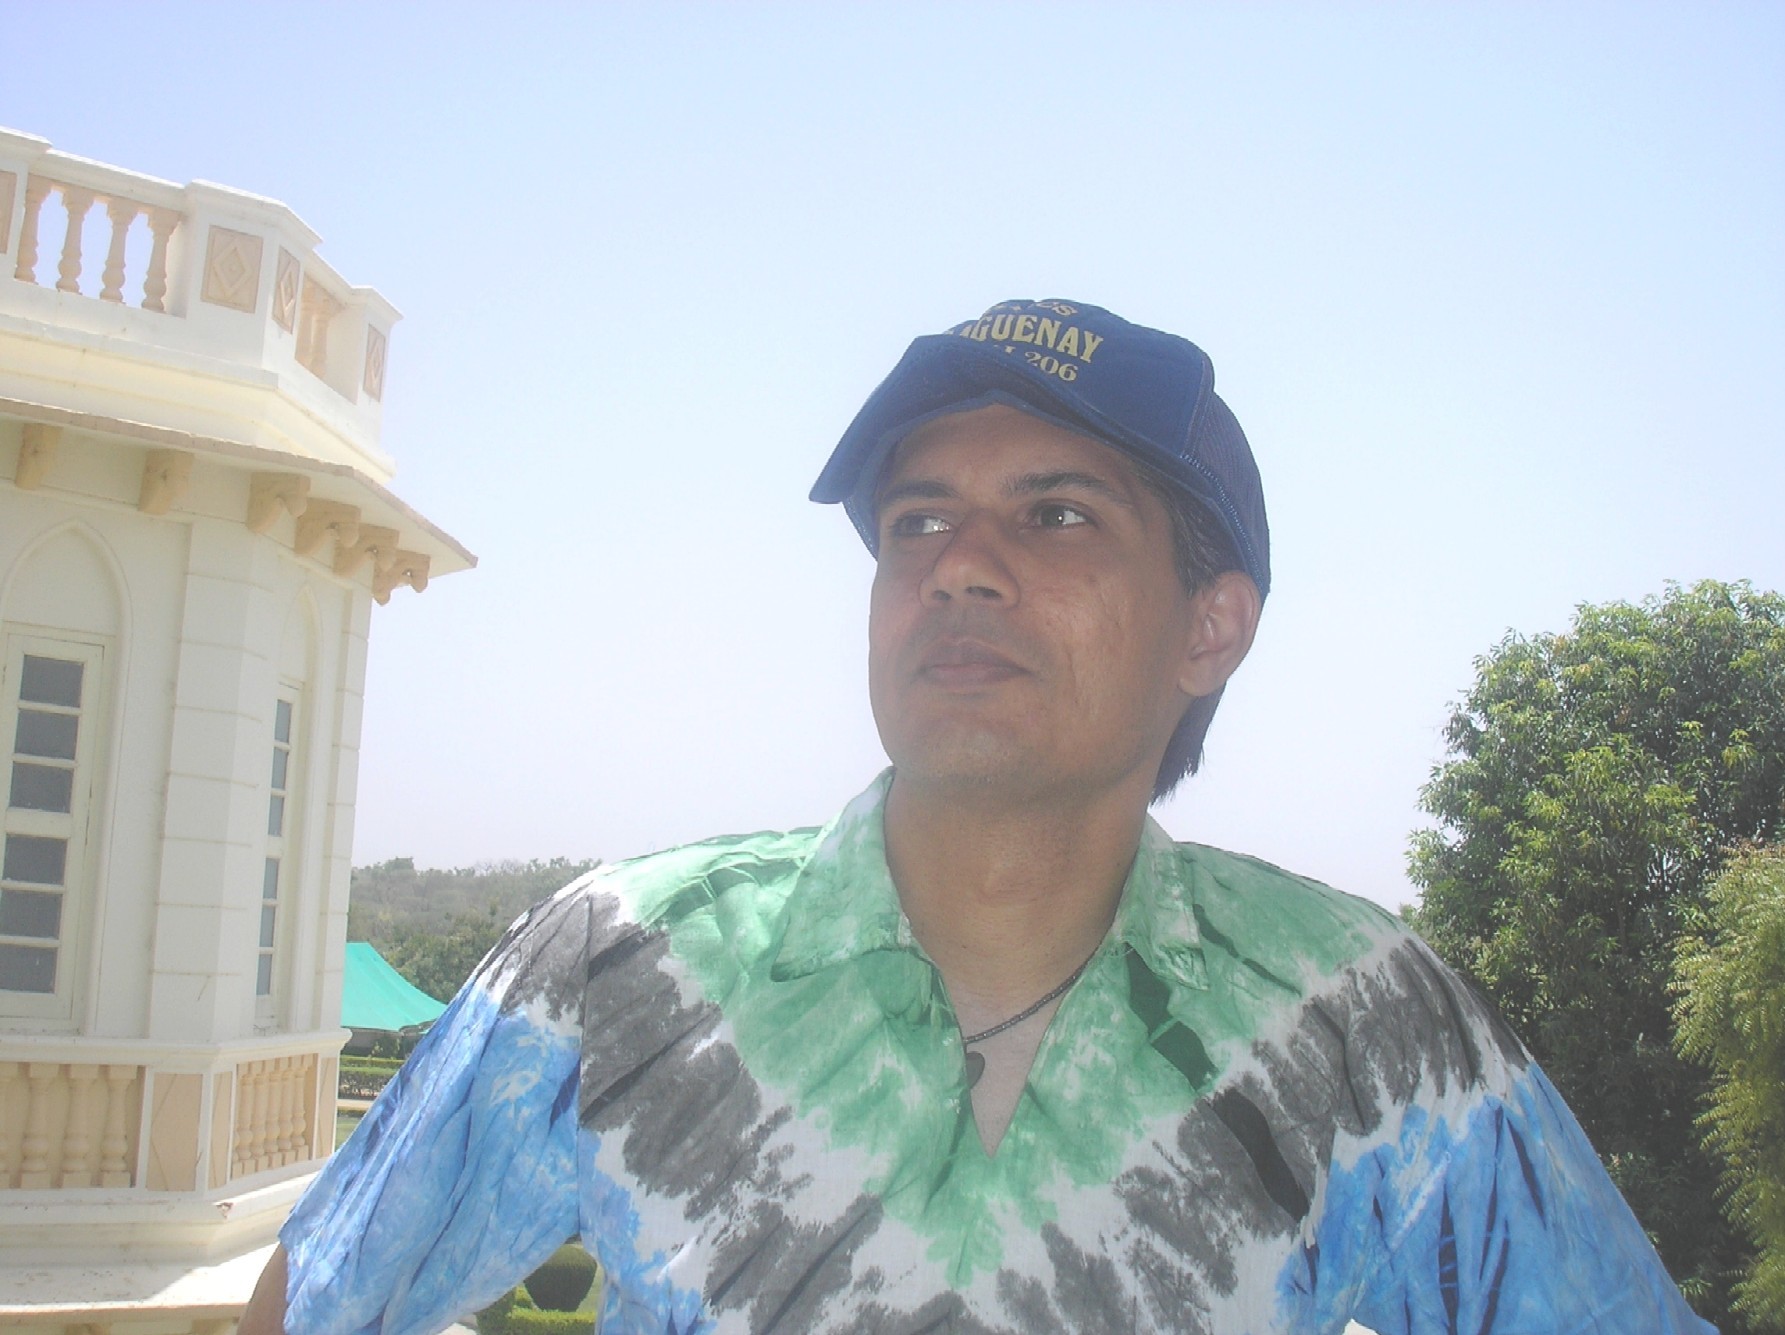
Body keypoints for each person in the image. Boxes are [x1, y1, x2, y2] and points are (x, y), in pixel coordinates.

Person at [242, 299, 1712, 1333]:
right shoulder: (621, 962)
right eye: (918, 521)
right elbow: (314, 1306)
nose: (959, 563)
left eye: (1057, 514)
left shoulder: (1362, 1025)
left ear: (1209, 627)